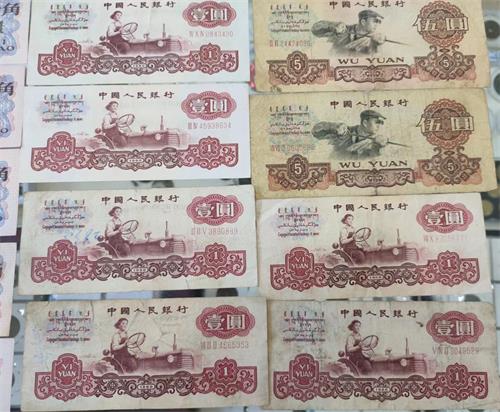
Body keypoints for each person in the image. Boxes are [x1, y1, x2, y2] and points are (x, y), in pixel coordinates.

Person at [312, 110, 389, 158]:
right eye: (377, 122)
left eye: (381, 123)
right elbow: (316, 131)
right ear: (365, 123)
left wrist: (379, 146)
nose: (379, 126)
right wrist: (334, 127)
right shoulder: (344, 132)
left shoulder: (377, 141)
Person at [312, 10, 386, 55]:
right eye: (375, 21)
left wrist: (376, 45)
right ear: (363, 22)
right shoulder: (343, 30)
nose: (377, 24)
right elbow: (315, 30)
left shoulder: (375, 39)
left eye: (379, 22)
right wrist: (332, 27)